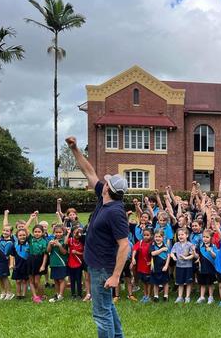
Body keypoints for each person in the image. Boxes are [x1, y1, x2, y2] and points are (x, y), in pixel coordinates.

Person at [66, 136, 130, 338]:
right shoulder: (104, 200)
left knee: (101, 315)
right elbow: (89, 171)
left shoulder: (115, 212)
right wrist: (75, 149)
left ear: (108, 189)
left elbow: (124, 245)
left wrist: (116, 276)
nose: (103, 181)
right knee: (107, 307)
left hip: (104, 268)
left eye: (107, 181)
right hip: (97, 266)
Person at [0, 212, 15, 300]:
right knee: (0, 277)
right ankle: (3, 292)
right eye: (4, 230)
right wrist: (6, 214)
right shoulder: (1, 237)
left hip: (4, 261)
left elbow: (11, 255)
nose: (5, 232)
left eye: (7, 231)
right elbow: (5, 224)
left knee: (4, 277)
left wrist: (11, 264)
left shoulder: (10, 241)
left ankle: (9, 293)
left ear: (11, 232)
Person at [170, 228, 196, 303]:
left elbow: (192, 255)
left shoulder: (190, 245)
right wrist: (173, 257)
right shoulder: (176, 244)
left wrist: (186, 257)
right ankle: (180, 297)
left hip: (188, 266)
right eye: (179, 235)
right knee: (180, 282)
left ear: (187, 235)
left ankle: (187, 297)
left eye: (182, 234)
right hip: (179, 266)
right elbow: (172, 252)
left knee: (188, 282)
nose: (180, 236)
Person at [47, 225, 68, 302]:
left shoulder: (64, 241)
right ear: (54, 232)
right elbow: (48, 251)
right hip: (53, 263)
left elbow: (64, 252)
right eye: (56, 232)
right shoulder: (52, 240)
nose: (58, 234)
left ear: (63, 232)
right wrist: (50, 244)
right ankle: (57, 293)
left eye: (60, 232)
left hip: (61, 263)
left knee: (61, 279)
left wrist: (59, 245)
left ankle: (61, 295)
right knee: (55, 280)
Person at [131, 228, 153, 303]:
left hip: (149, 267)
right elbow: (134, 249)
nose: (146, 237)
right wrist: (133, 258)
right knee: (144, 282)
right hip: (141, 266)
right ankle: (145, 295)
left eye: (147, 235)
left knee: (149, 282)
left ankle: (149, 296)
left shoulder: (152, 243)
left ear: (151, 235)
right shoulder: (140, 242)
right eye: (144, 235)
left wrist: (151, 262)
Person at [150, 229, 170, 302]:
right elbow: (153, 253)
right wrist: (161, 250)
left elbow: (168, 256)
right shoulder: (152, 245)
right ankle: (156, 296)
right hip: (155, 266)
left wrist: (166, 266)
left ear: (163, 237)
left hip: (164, 266)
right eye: (156, 237)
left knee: (165, 282)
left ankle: (166, 295)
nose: (157, 238)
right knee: (155, 282)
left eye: (159, 237)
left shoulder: (166, 246)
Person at [66, 226, 85, 299]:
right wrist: (68, 233)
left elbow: (84, 253)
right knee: (72, 279)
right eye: (74, 233)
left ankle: (79, 294)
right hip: (71, 263)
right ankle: (73, 294)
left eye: (78, 233)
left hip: (79, 263)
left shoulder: (82, 241)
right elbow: (64, 243)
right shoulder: (70, 240)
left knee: (78, 279)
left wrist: (77, 252)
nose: (76, 234)